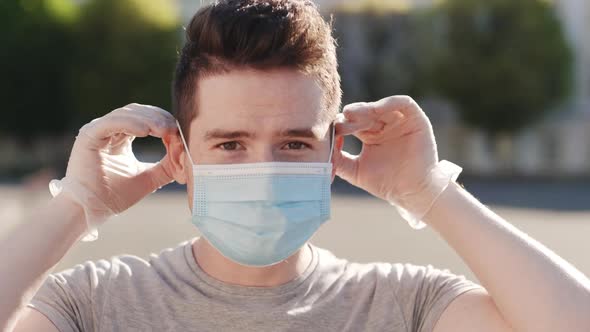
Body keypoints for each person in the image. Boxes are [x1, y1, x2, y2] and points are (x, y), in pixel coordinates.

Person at [2, 1, 590, 331]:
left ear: (334, 152)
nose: (262, 170)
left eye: (293, 143)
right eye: (230, 144)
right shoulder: (96, 305)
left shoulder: (404, 306)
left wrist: (431, 192)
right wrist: (75, 205)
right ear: (181, 156)